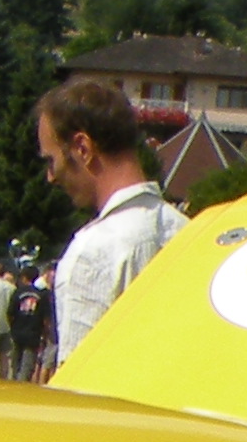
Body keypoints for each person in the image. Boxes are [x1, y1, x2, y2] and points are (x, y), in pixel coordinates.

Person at [35, 80, 183, 370]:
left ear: (82, 148)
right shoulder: (189, 232)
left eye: (51, 161)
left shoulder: (93, 251)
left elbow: (80, 381)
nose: (51, 177)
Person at [6, 263, 54, 382]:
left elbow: (10, 312)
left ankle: (13, 384)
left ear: (23, 278)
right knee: (27, 367)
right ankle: (21, 387)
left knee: (15, 365)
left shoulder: (17, 293)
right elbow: (45, 317)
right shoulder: (42, 295)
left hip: (17, 332)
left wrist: (12, 326)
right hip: (33, 333)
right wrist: (45, 332)